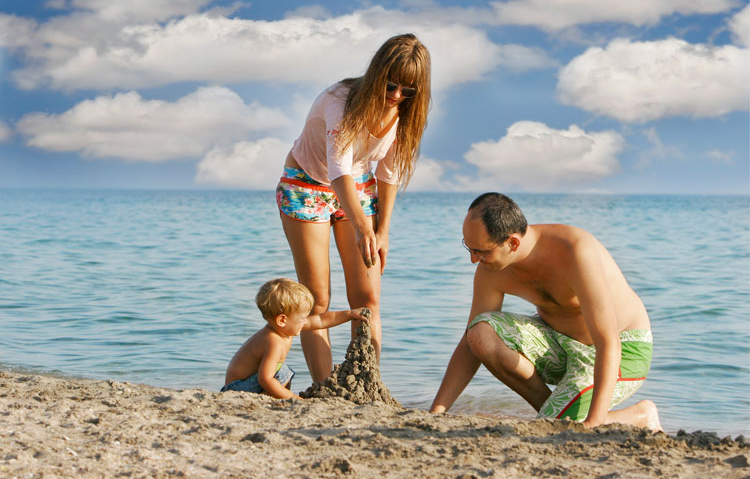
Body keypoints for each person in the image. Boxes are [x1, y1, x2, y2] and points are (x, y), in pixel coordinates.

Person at [430, 193, 662, 431]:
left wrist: (594, 423)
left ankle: (641, 416)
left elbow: (608, 342)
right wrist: (436, 411)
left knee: (565, 425)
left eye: (481, 251)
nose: (473, 259)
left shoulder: (576, 251)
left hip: (622, 350)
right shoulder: (490, 268)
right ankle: (553, 413)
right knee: (480, 332)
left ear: (513, 243)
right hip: (560, 344)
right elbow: (470, 344)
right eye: (469, 248)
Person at [276, 33, 431, 382]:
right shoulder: (339, 101)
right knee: (317, 298)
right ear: (377, 74)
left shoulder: (405, 113)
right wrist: (363, 228)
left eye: (407, 91)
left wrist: (382, 231)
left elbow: (389, 174)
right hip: (307, 184)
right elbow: (338, 171)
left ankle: (366, 382)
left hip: (359, 186)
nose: (396, 97)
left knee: (367, 296)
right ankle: (324, 386)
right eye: (390, 86)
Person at [221, 278, 366, 399]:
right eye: (302, 318)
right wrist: (294, 398)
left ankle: (273, 398)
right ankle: (273, 399)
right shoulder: (273, 341)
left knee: (282, 373)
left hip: (245, 384)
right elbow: (264, 379)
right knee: (282, 372)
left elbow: (321, 320)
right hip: (237, 388)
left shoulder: (285, 329)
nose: (305, 321)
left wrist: (350, 314)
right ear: (282, 320)